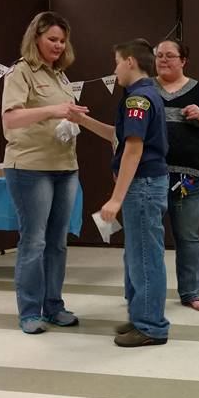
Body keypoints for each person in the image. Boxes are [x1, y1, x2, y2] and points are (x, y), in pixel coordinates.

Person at [70, 39, 170, 347]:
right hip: (146, 185)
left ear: (129, 62)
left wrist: (116, 197)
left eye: (116, 62)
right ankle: (142, 315)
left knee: (144, 257)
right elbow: (119, 136)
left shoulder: (138, 99)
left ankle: (151, 326)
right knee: (137, 256)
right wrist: (82, 120)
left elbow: (133, 150)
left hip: (143, 186)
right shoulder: (145, 95)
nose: (114, 70)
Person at [1, 11, 89, 335]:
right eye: (52, 39)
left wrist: (71, 121)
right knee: (34, 242)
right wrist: (54, 110)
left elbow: (59, 115)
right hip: (30, 168)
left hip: (65, 167)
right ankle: (29, 312)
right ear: (35, 38)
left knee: (58, 243)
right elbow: (11, 118)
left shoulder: (60, 76)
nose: (58, 45)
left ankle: (54, 306)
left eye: (62, 40)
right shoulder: (20, 72)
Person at [153, 39, 199, 312]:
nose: (163, 60)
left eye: (169, 55)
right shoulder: (143, 90)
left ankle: (192, 292)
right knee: (146, 237)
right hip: (149, 176)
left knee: (188, 236)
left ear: (183, 60)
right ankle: (144, 293)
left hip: (190, 178)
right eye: (159, 55)